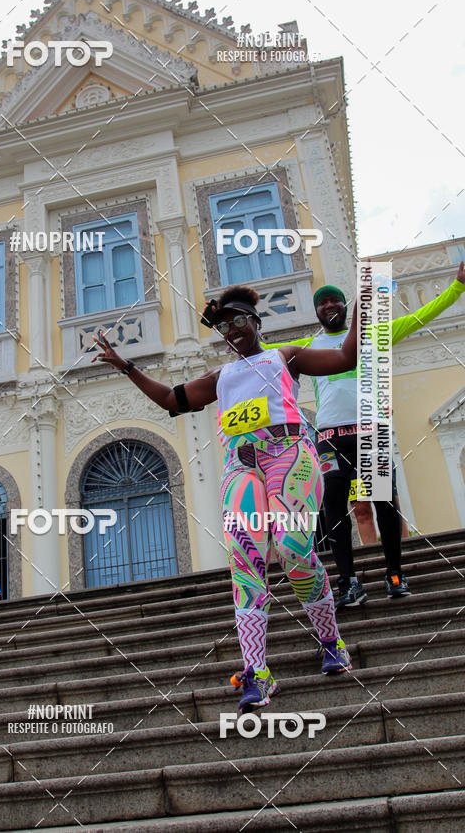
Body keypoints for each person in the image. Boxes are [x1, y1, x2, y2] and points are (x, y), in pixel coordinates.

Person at [92, 284, 359, 713]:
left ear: (255, 323)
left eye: (239, 321)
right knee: (246, 558)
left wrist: (361, 309)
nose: (232, 330)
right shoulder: (221, 377)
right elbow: (171, 400)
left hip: (289, 454)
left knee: (293, 550)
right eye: (224, 325)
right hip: (241, 464)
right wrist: (125, 366)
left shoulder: (285, 356)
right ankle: (258, 673)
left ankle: (331, 642)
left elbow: (346, 358)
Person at [262, 261, 465, 608]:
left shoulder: (375, 335)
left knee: (384, 504)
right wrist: (228, 331)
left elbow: (422, 317)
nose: (329, 306)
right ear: (317, 313)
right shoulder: (306, 346)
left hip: (371, 432)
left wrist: (458, 287)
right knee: (335, 509)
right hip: (329, 438)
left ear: (344, 306)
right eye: (322, 303)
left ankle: (395, 576)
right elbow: (258, 354)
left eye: (335, 301)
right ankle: (348, 583)